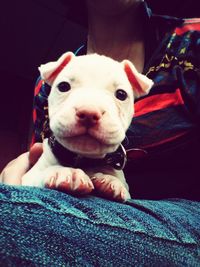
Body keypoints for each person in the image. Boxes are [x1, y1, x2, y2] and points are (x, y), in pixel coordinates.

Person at [0, 0, 199, 265]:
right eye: (64, 88)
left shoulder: (192, 44)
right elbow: (40, 172)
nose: (90, 111)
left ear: (137, 90)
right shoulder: (46, 88)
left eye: (119, 95)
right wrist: (22, 169)